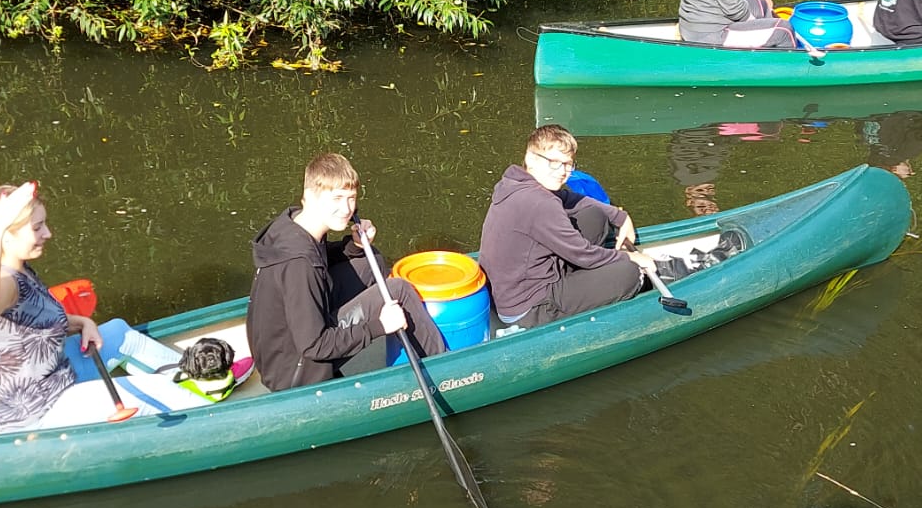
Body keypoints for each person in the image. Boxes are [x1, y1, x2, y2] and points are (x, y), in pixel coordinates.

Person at [249, 152, 447, 391]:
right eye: (337, 198)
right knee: (399, 290)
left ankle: (410, 342)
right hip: (296, 371)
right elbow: (315, 346)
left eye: (351, 198)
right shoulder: (299, 265)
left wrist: (355, 245)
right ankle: (446, 373)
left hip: (284, 349)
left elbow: (321, 258)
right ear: (310, 196)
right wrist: (379, 325)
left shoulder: (293, 224)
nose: (346, 208)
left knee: (368, 260)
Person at [0, 182, 112, 431]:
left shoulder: (21, 269)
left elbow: (35, 324)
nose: (48, 233)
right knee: (157, 399)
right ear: (6, 236)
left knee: (118, 330)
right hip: (30, 409)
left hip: (49, 379)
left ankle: (196, 366)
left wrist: (83, 322)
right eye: (37, 227)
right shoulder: (4, 281)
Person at [480, 125, 657, 328]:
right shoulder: (539, 203)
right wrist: (632, 257)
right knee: (630, 273)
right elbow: (584, 255)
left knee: (594, 216)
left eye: (568, 164)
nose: (562, 172)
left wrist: (619, 216)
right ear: (531, 158)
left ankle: (577, 284)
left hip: (508, 293)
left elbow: (569, 197)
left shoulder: (514, 183)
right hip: (531, 309)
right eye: (554, 163)